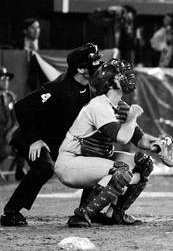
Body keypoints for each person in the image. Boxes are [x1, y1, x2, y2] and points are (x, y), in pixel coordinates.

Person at [55, 59, 170, 227]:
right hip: (71, 161)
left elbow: (140, 139)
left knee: (143, 163)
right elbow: (122, 137)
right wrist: (132, 117)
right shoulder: (99, 105)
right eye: (120, 74)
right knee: (121, 171)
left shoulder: (120, 106)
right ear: (108, 82)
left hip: (92, 158)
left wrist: (157, 144)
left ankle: (114, 214)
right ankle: (82, 214)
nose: (127, 77)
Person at [0, 43, 105, 227]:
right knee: (44, 168)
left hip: (56, 141)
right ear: (81, 68)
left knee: (93, 161)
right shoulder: (59, 88)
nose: (99, 66)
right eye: (94, 63)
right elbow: (22, 107)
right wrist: (34, 139)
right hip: (30, 137)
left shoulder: (88, 89)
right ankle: (11, 213)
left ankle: (87, 212)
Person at [0, 67, 17, 167]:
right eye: (3, 79)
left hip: (7, 133)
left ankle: (19, 171)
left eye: (7, 79)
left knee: (24, 139)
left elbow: (16, 117)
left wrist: (11, 132)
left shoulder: (11, 96)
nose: (6, 82)